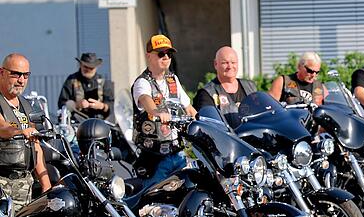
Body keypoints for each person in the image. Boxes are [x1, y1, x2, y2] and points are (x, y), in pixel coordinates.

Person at [131, 34, 197, 191]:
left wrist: (205, 122)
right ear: (149, 56)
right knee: (152, 201)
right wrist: (156, 111)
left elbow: (189, 107)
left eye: (169, 54)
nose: (166, 57)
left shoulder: (172, 80)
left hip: (178, 153)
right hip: (154, 158)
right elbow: (145, 99)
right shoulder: (142, 82)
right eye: (161, 53)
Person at [0, 54, 52, 212]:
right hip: (2, 183)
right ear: (1, 73)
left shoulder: (27, 106)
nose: (21, 80)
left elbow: (35, 145)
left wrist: (46, 183)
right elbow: (2, 127)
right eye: (15, 74)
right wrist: (20, 131)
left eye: (25, 75)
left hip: (25, 184)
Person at [193, 46, 257, 125]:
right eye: (225, 63)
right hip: (226, 137)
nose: (230, 66)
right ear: (216, 64)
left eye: (233, 62)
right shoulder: (207, 93)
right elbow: (210, 125)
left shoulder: (251, 87)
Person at [57, 52, 115, 120]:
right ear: (80, 65)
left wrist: (102, 106)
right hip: (77, 123)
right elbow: (62, 104)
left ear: (96, 67)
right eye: (85, 67)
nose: (88, 70)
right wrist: (77, 105)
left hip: (100, 123)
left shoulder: (104, 82)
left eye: (91, 68)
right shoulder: (71, 80)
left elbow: (113, 104)